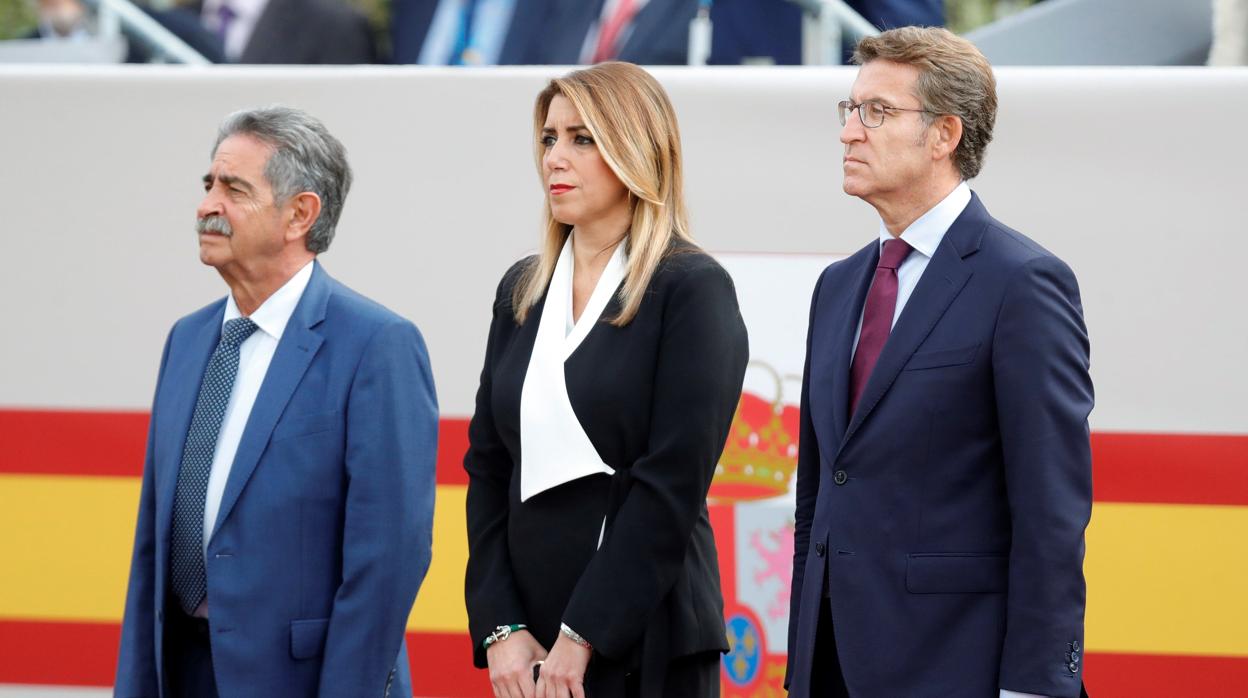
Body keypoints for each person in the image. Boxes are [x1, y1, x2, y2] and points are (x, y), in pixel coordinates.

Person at [786, 27, 1093, 698]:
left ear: (945, 135)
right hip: (831, 666)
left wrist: (1037, 685)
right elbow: (819, 493)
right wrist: (800, 667)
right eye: (850, 109)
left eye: (877, 112)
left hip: (956, 667)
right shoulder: (838, 287)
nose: (849, 133)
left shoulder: (1023, 283)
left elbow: (1050, 512)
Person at [114, 106, 437, 697]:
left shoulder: (376, 345)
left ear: (300, 215)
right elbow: (150, 549)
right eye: (208, 184)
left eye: (234, 189)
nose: (207, 205)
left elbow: (388, 560)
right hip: (182, 670)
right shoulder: (187, 340)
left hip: (303, 682)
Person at [463, 62, 748, 698]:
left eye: (581, 139)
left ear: (636, 149)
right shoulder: (522, 288)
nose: (555, 158)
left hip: (644, 639)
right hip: (529, 645)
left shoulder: (692, 289)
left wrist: (583, 633)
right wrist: (501, 627)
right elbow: (486, 469)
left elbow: (671, 483)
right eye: (548, 138)